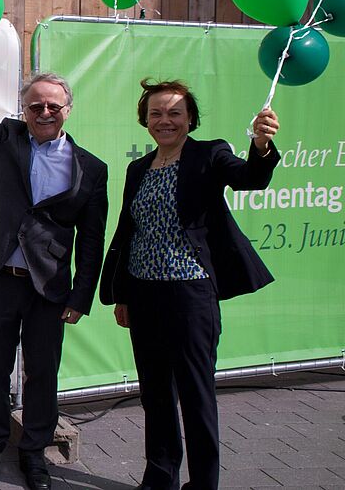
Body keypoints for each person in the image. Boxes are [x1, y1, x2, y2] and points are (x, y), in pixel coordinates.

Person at [0, 24, 108, 490]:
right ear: (24, 110)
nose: (45, 112)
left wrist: (81, 294)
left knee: (43, 374)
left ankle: (35, 454)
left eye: (54, 106)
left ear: (68, 110)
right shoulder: (5, 139)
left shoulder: (91, 169)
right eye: (36, 105)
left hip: (50, 287)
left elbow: (92, 238)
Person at [99, 80, 279, 490]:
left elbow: (250, 177)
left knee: (196, 397)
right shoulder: (138, 169)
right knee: (155, 395)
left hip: (190, 295)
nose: (165, 121)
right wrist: (122, 295)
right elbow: (131, 232)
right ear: (145, 120)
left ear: (190, 120)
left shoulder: (209, 153)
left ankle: (203, 485)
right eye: (157, 113)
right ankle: (159, 477)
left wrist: (262, 145)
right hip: (144, 295)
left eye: (175, 113)